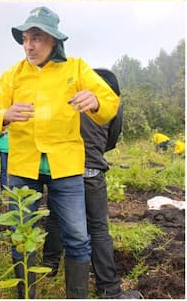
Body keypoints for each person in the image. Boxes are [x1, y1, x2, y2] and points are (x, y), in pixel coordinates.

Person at [0, 5, 120, 300]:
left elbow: (110, 103)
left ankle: (77, 296)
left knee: (78, 237)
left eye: (36, 38)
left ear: (53, 40)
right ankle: (25, 294)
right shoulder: (13, 75)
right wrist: (5, 114)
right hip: (23, 167)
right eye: (24, 39)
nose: (28, 46)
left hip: (66, 166)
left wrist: (95, 100)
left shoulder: (76, 68)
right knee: (22, 237)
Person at [42, 68, 137, 300]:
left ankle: (49, 266)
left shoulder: (68, 98)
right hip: (91, 172)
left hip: (62, 171)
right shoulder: (111, 104)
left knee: (55, 218)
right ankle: (110, 289)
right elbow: (112, 140)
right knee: (98, 229)